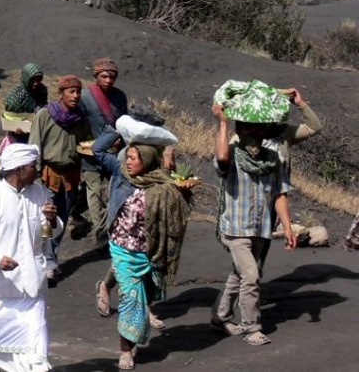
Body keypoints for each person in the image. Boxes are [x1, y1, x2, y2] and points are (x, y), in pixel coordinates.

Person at [93, 126, 192, 370]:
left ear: (146, 160)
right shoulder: (120, 175)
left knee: (146, 298)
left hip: (149, 252)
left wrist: (186, 195)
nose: (128, 162)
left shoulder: (163, 185)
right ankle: (125, 351)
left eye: (133, 158)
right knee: (130, 299)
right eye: (127, 157)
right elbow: (98, 149)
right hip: (122, 247)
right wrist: (117, 128)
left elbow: (179, 211)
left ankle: (131, 329)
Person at [0, 144, 61, 372]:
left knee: (37, 355)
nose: (36, 170)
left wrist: (53, 219)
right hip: (0, 292)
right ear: (18, 169)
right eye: (32, 166)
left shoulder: (39, 194)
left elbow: (51, 232)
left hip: (31, 289)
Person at [211, 96, 296, 347]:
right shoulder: (233, 155)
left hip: (261, 227)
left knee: (239, 275)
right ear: (241, 129)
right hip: (236, 229)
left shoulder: (272, 159)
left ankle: (220, 316)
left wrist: (288, 227)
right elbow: (222, 160)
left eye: (259, 128)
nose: (254, 132)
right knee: (251, 275)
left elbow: (280, 193)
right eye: (249, 127)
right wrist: (223, 124)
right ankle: (251, 326)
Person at [28, 75, 91, 279]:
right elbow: (34, 147)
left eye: (78, 91)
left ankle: (51, 258)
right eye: (71, 91)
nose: (75, 95)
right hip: (49, 175)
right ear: (61, 93)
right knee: (46, 219)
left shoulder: (81, 117)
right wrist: (34, 176)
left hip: (71, 176)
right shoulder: (45, 115)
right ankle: (41, 261)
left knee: (61, 220)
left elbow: (86, 142)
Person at [80, 58, 129, 243]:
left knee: (117, 188)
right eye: (104, 76)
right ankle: (101, 233)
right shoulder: (84, 96)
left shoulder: (120, 97)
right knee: (94, 192)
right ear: (96, 76)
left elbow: (125, 124)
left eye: (112, 77)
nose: (108, 80)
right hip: (89, 151)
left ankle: (113, 226)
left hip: (114, 152)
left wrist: (121, 143)